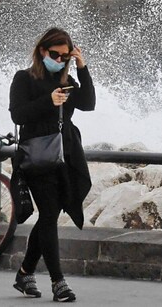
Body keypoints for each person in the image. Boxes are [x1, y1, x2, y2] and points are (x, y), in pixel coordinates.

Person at [9, 27, 95, 302]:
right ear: (42, 51)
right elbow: (18, 114)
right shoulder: (24, 78)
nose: (59, 60)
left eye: (65, 56)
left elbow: (89, 104)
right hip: (37, 154)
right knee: (48, 213)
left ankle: (25, 272)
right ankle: (58, 282)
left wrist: (82, 67)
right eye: (55, 55)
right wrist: (49, 101)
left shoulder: (67, 80)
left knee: (50, 215)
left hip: (65, 154)